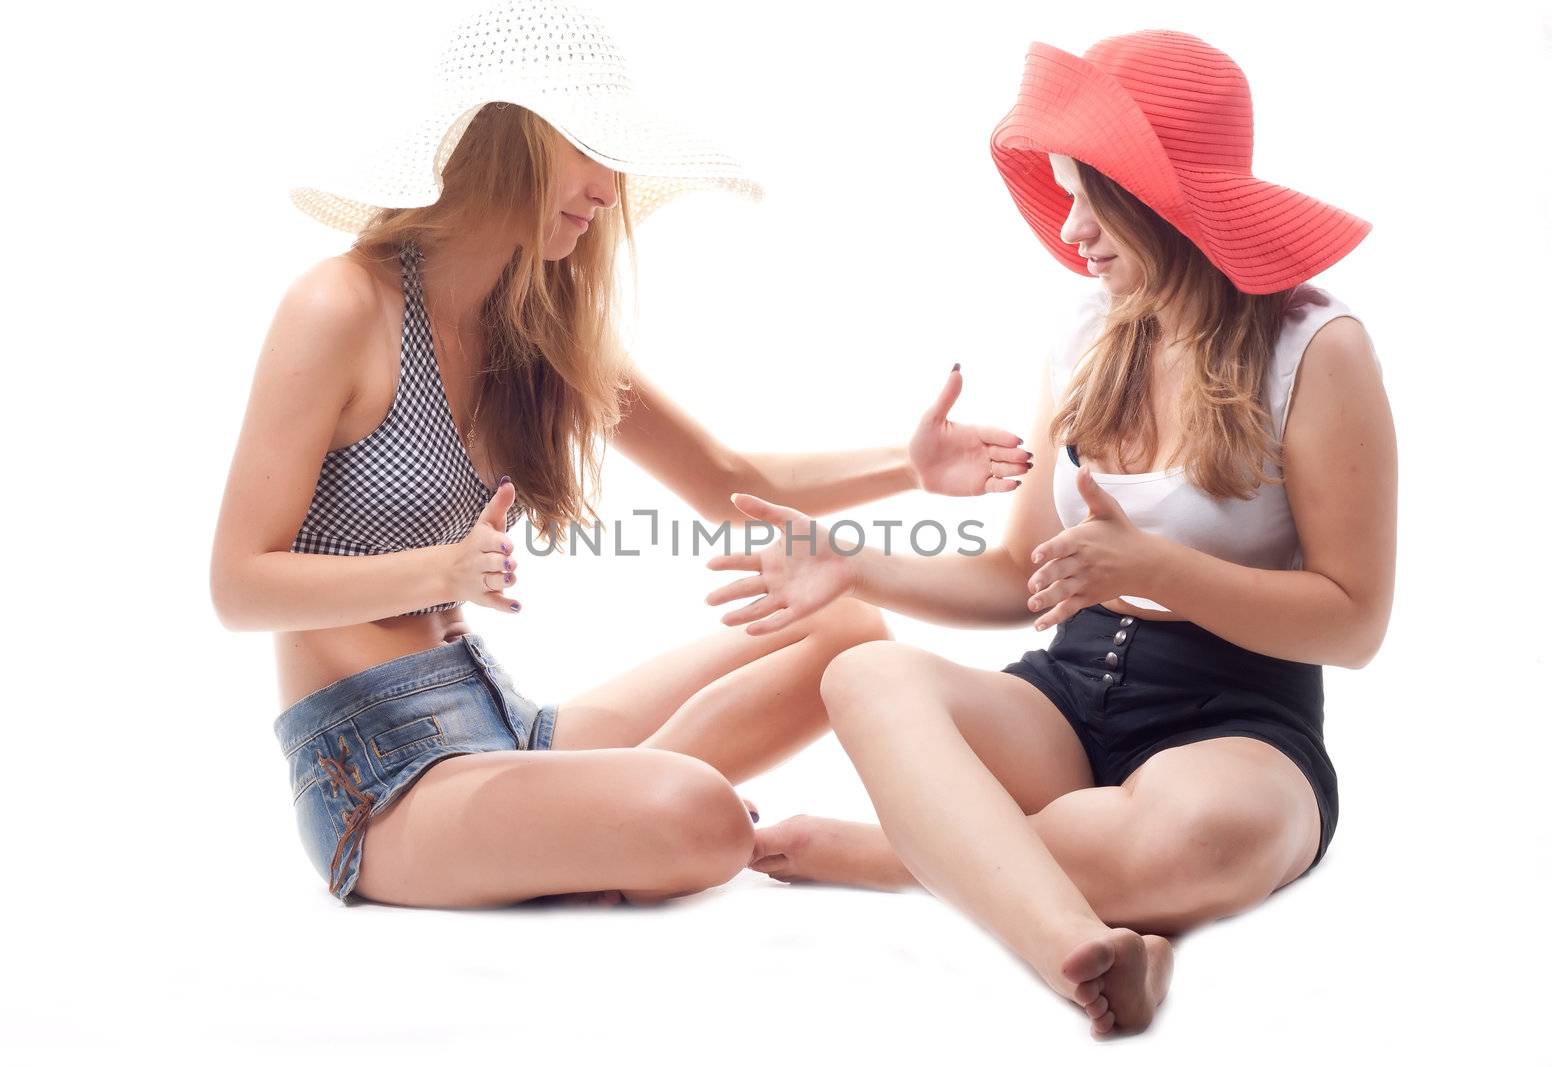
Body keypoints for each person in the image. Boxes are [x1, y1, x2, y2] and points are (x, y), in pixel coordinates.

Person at [209, 1, 1031, 910]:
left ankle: (593, 816)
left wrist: (909, 468)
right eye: (590, 149)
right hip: (382, 780)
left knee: (848, 632)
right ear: (505, 139)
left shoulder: (534, 332)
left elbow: (734, 485)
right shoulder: (341, 307)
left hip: (500, 722)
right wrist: (440, 570)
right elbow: (240, 585)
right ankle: (617, 813)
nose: (610, 189)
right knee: (705, 818)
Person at [707, 30, 1395, 1036]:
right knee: (863, 674)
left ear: (1164, 194)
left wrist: (1159, 568)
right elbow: (1015, 577)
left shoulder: (1315, 346)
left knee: (1203, 839)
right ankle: (1074, 947)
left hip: (1235, 715)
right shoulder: (1084, 336)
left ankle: (906, 849)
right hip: (1065, 697)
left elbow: (1354, 621)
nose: (1070, 228)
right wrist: (857, 562)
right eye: (1064, 192)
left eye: (1091, 195)